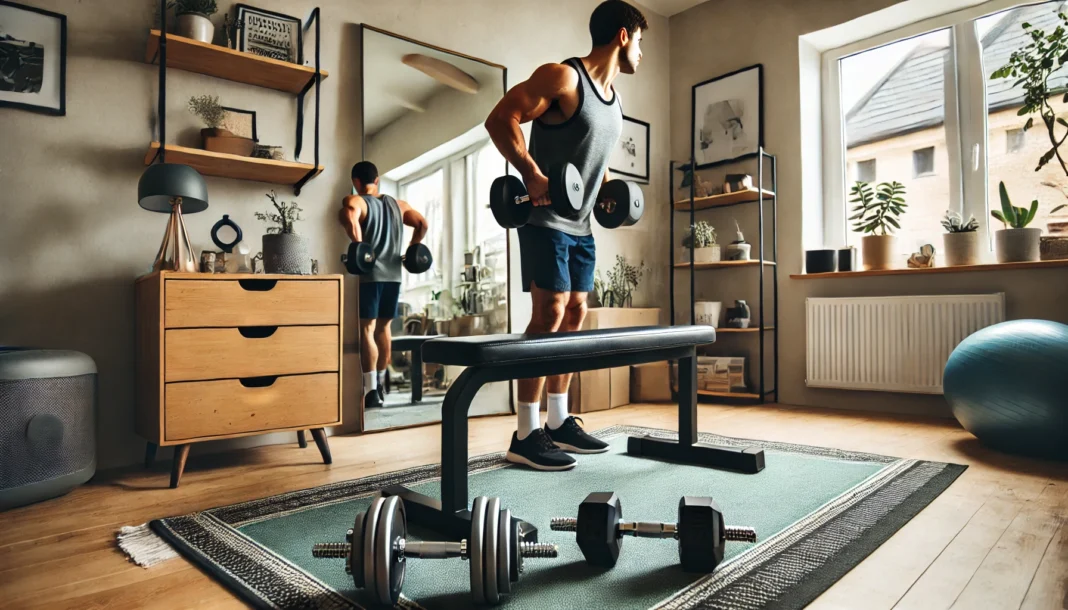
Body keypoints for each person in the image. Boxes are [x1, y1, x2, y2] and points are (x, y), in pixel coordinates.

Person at [484, 0, 647, 470]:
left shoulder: (614, 101)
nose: (642, 52)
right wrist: (532, 173)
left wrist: (606, 194)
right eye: (640, 42)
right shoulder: (563, 78)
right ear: (622, 35)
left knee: (576, 312)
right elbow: (501, 119)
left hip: (581, 225)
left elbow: (595, 162)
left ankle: (558, 421)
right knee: (549, 311)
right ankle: (525, 432)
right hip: (543, 220)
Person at [339, 161, 428, 410]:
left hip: (371, 275)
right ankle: (380, 384)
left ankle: (371, 392)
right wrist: (411, 249)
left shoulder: (358, 200)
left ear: (356, 182)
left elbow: (349, 214)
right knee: (384, 328)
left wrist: (360, 247)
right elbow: (423, 224)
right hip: (394, 276)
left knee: (366, 329)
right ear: (377, 180)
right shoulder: (398, 205)